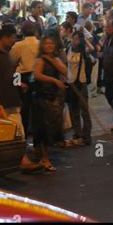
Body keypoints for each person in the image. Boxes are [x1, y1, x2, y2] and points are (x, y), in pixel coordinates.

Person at [0, 23, 41, 172]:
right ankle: (21, 161)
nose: (14, 41)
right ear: (5, 37)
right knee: (15, 132)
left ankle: (19, 160)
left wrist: (19, 83)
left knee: (16, 132)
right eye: (13, 38)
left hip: (10, 100)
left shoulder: (6, 53)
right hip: (0, 103)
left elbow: (8, 74)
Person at [32, 35, 68, 171]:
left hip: (52, 98)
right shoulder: (40, 60)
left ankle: (42, 154)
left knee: (51, 128)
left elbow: (65, 71)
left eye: (51, 44)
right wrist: (53, 80)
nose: (49, 46)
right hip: (42, 97)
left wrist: (53, 62)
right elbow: (37, 75)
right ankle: (44, 158)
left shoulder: (55, 59)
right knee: (43, 128)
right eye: (46, 44)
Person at [10, 23, 40, 136]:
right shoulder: (40, 44)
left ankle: (24, 135)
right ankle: (38, 139)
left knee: (24, 111)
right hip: (38, 78)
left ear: (22, 32)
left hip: (23, 79)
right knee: (37, 110)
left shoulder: (18, 45)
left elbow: (11, 66)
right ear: (36, 31)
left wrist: (17, 82)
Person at [66, 31, 93, 146]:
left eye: (77, 39)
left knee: (84, 111)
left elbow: (92, 48)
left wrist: (85, 40)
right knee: (73, 111)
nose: (75, 41)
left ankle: (86, 137)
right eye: (73, 38)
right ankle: (77, 134)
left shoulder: (84, 51)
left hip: (81, 83)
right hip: (70, 84)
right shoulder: (67, 49)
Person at [84, 19, 100, 96]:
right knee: (93, 76)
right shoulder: (94, 36)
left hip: (85, 58)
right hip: (94, 57)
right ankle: (92, 92)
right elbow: (99, 47)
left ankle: (86, 91)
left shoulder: (82, 36)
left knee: (86, 75)